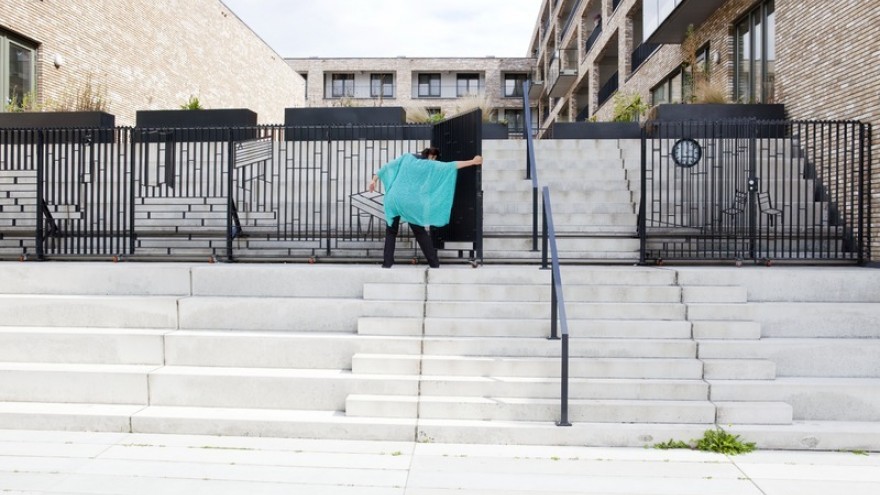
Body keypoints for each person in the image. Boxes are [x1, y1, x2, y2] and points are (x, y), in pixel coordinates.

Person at [368, 147, 482, 268]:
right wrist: (473, 161)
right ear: (432, 156)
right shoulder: (430, 165)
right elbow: (451, 166)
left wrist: (373, 180)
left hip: (393, 199)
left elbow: (386, 167)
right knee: (419, 232)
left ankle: (387, 264)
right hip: (410, 203)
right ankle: (434, 264)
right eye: (435, 158)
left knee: (391, 232)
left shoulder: (406, 157)